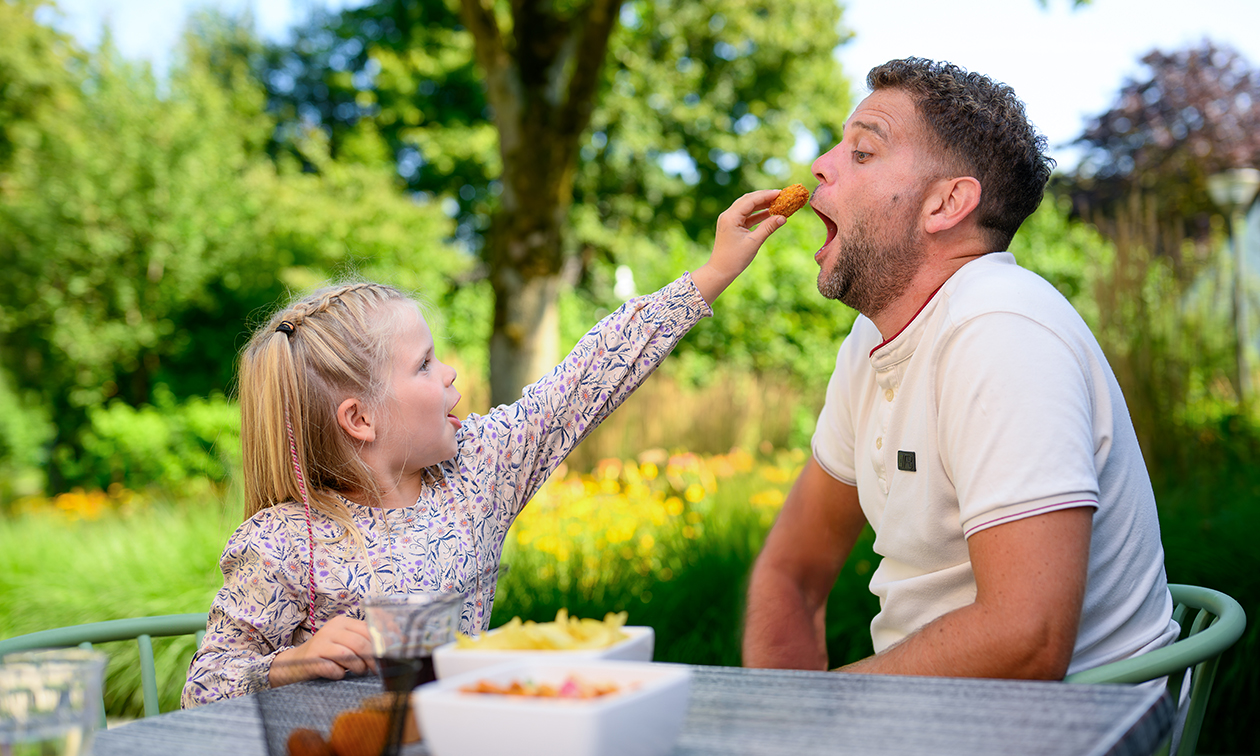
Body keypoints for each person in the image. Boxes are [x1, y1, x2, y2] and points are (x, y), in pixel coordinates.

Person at [182, 192, 787, 707]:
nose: (448, 374)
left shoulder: (475, 473)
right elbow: (203, 689)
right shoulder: (281, 541)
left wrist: (712, 272)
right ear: (360, 419)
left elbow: (586, 377)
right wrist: (288, 664)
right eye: (424, 365)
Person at [742, 58, 1178, 681]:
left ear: (947, 202)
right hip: (937, 721)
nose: (821, 165)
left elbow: (1026, 641)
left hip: (1075, 732)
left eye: (862, 152)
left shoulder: (1001, 330)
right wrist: (776, 723)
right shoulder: (873, 341)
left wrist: (821, 710)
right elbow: (791, 571)